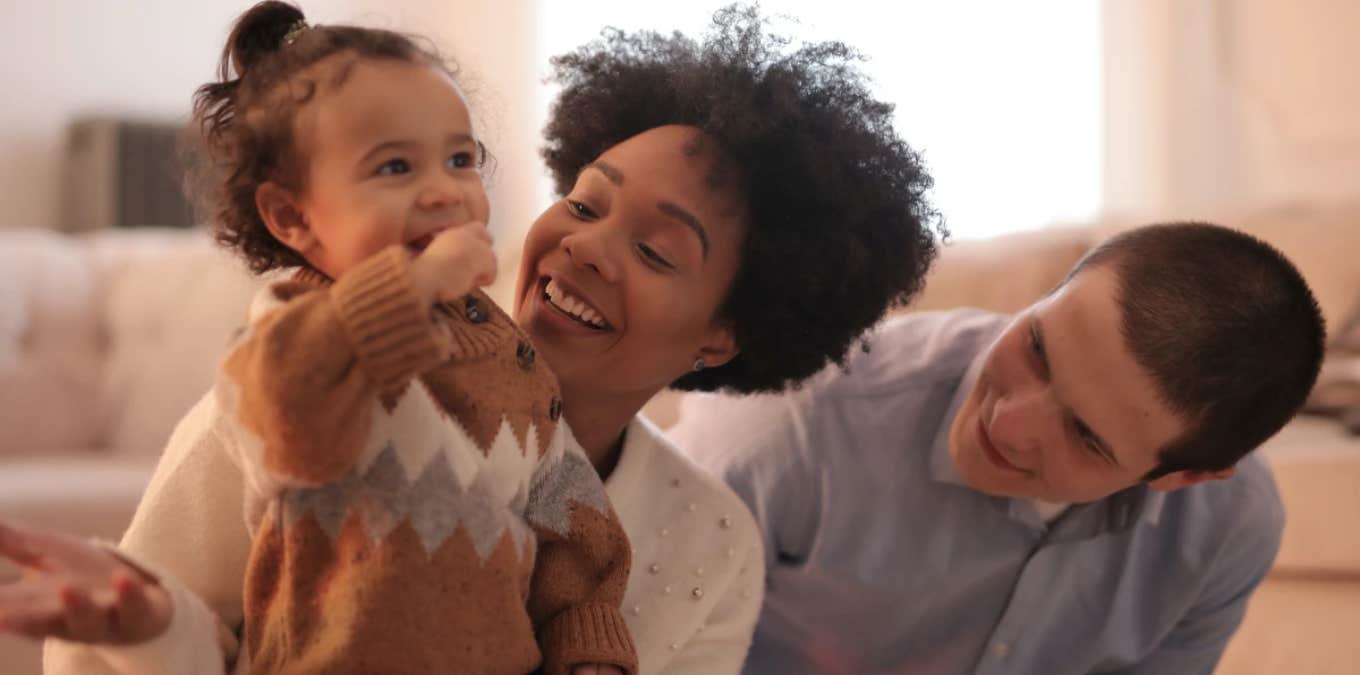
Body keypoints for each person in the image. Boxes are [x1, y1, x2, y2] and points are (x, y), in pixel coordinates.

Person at [2, 4, 942, 674]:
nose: (583, 247)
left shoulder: (711, 547)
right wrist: (153, 624)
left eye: (654, 251)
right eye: (583, 200)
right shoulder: (305, 388)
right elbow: (109, 651)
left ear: (724, 333)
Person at [671, 221, 1327, 674]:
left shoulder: (1230, 527)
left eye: (1086, 435)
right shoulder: (791, 422)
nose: (1008, 423)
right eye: (1038, 348)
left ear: (1181, 476)